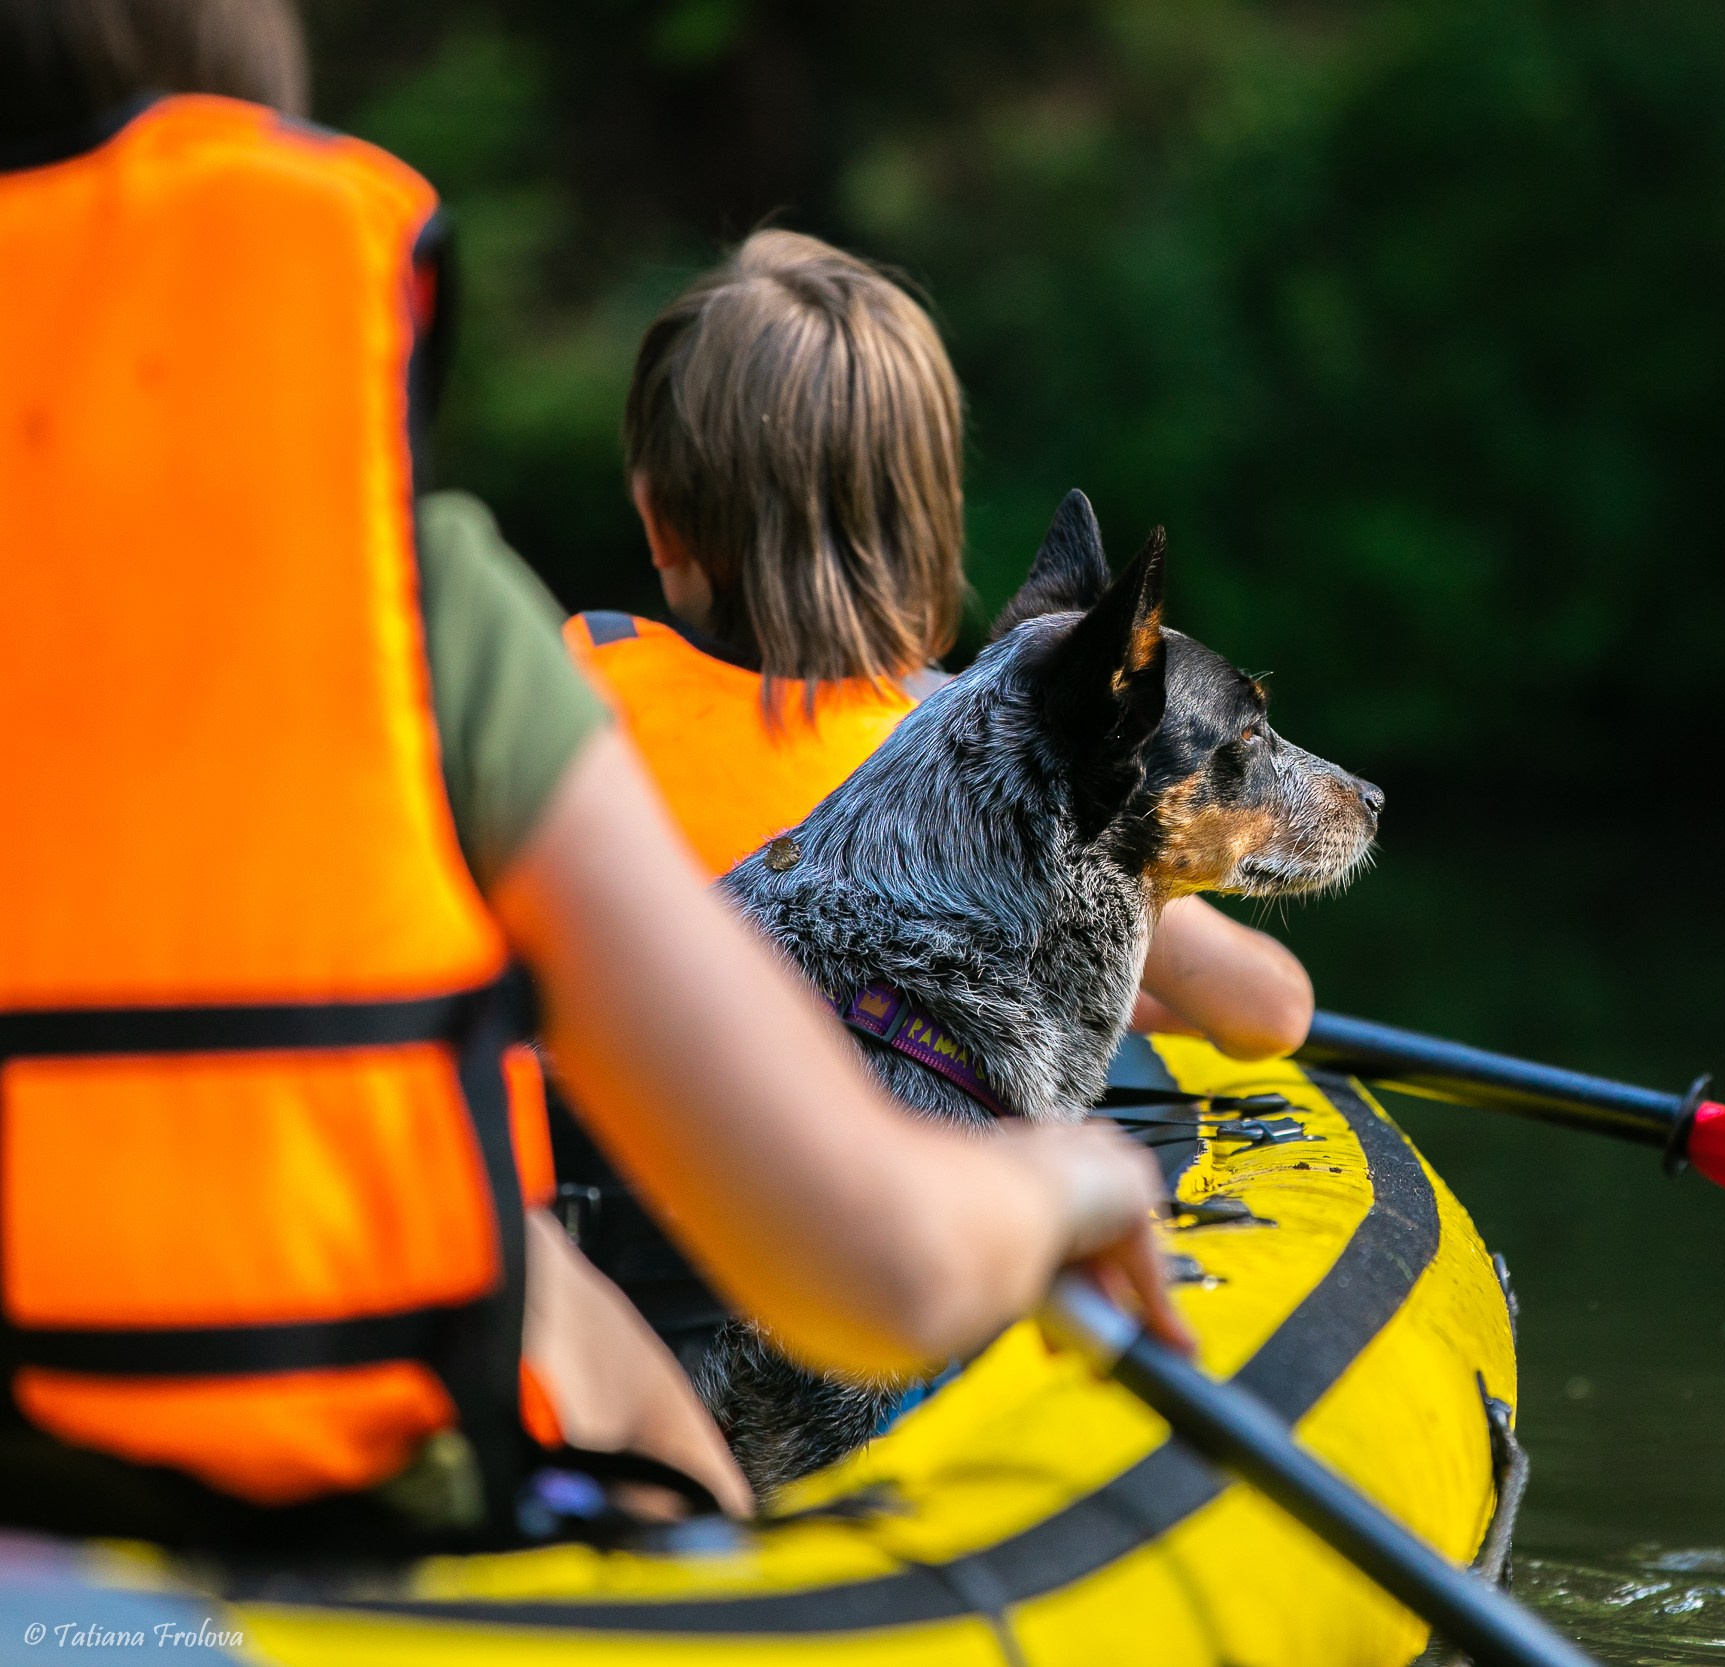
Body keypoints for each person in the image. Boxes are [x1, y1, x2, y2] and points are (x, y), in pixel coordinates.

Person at [0, 0, 1183, 1547]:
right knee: (574, 1327)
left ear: (656, 516)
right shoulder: (407, 607)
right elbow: (868, 1263)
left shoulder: (562, 655)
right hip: (352, 1492)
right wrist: (1076, 1180)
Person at [570, 229, 1315, 1061]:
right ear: (937, 525)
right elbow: (1270, 1009)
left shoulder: (581, 676)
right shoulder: (967, 754)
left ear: (656, 517)